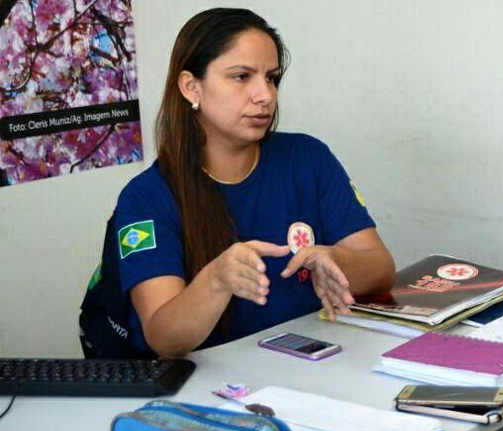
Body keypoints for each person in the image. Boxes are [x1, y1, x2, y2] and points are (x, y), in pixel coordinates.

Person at [114, 8, 395, 358]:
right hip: (212, 391)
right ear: (191, 87)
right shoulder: (145, 198)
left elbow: (381, 269)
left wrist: (336, 260)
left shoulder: (308, 157)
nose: (264, 95)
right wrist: (216, 279)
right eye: (241, 77)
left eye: (272, 78)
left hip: (313, 368)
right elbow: (164, 338)